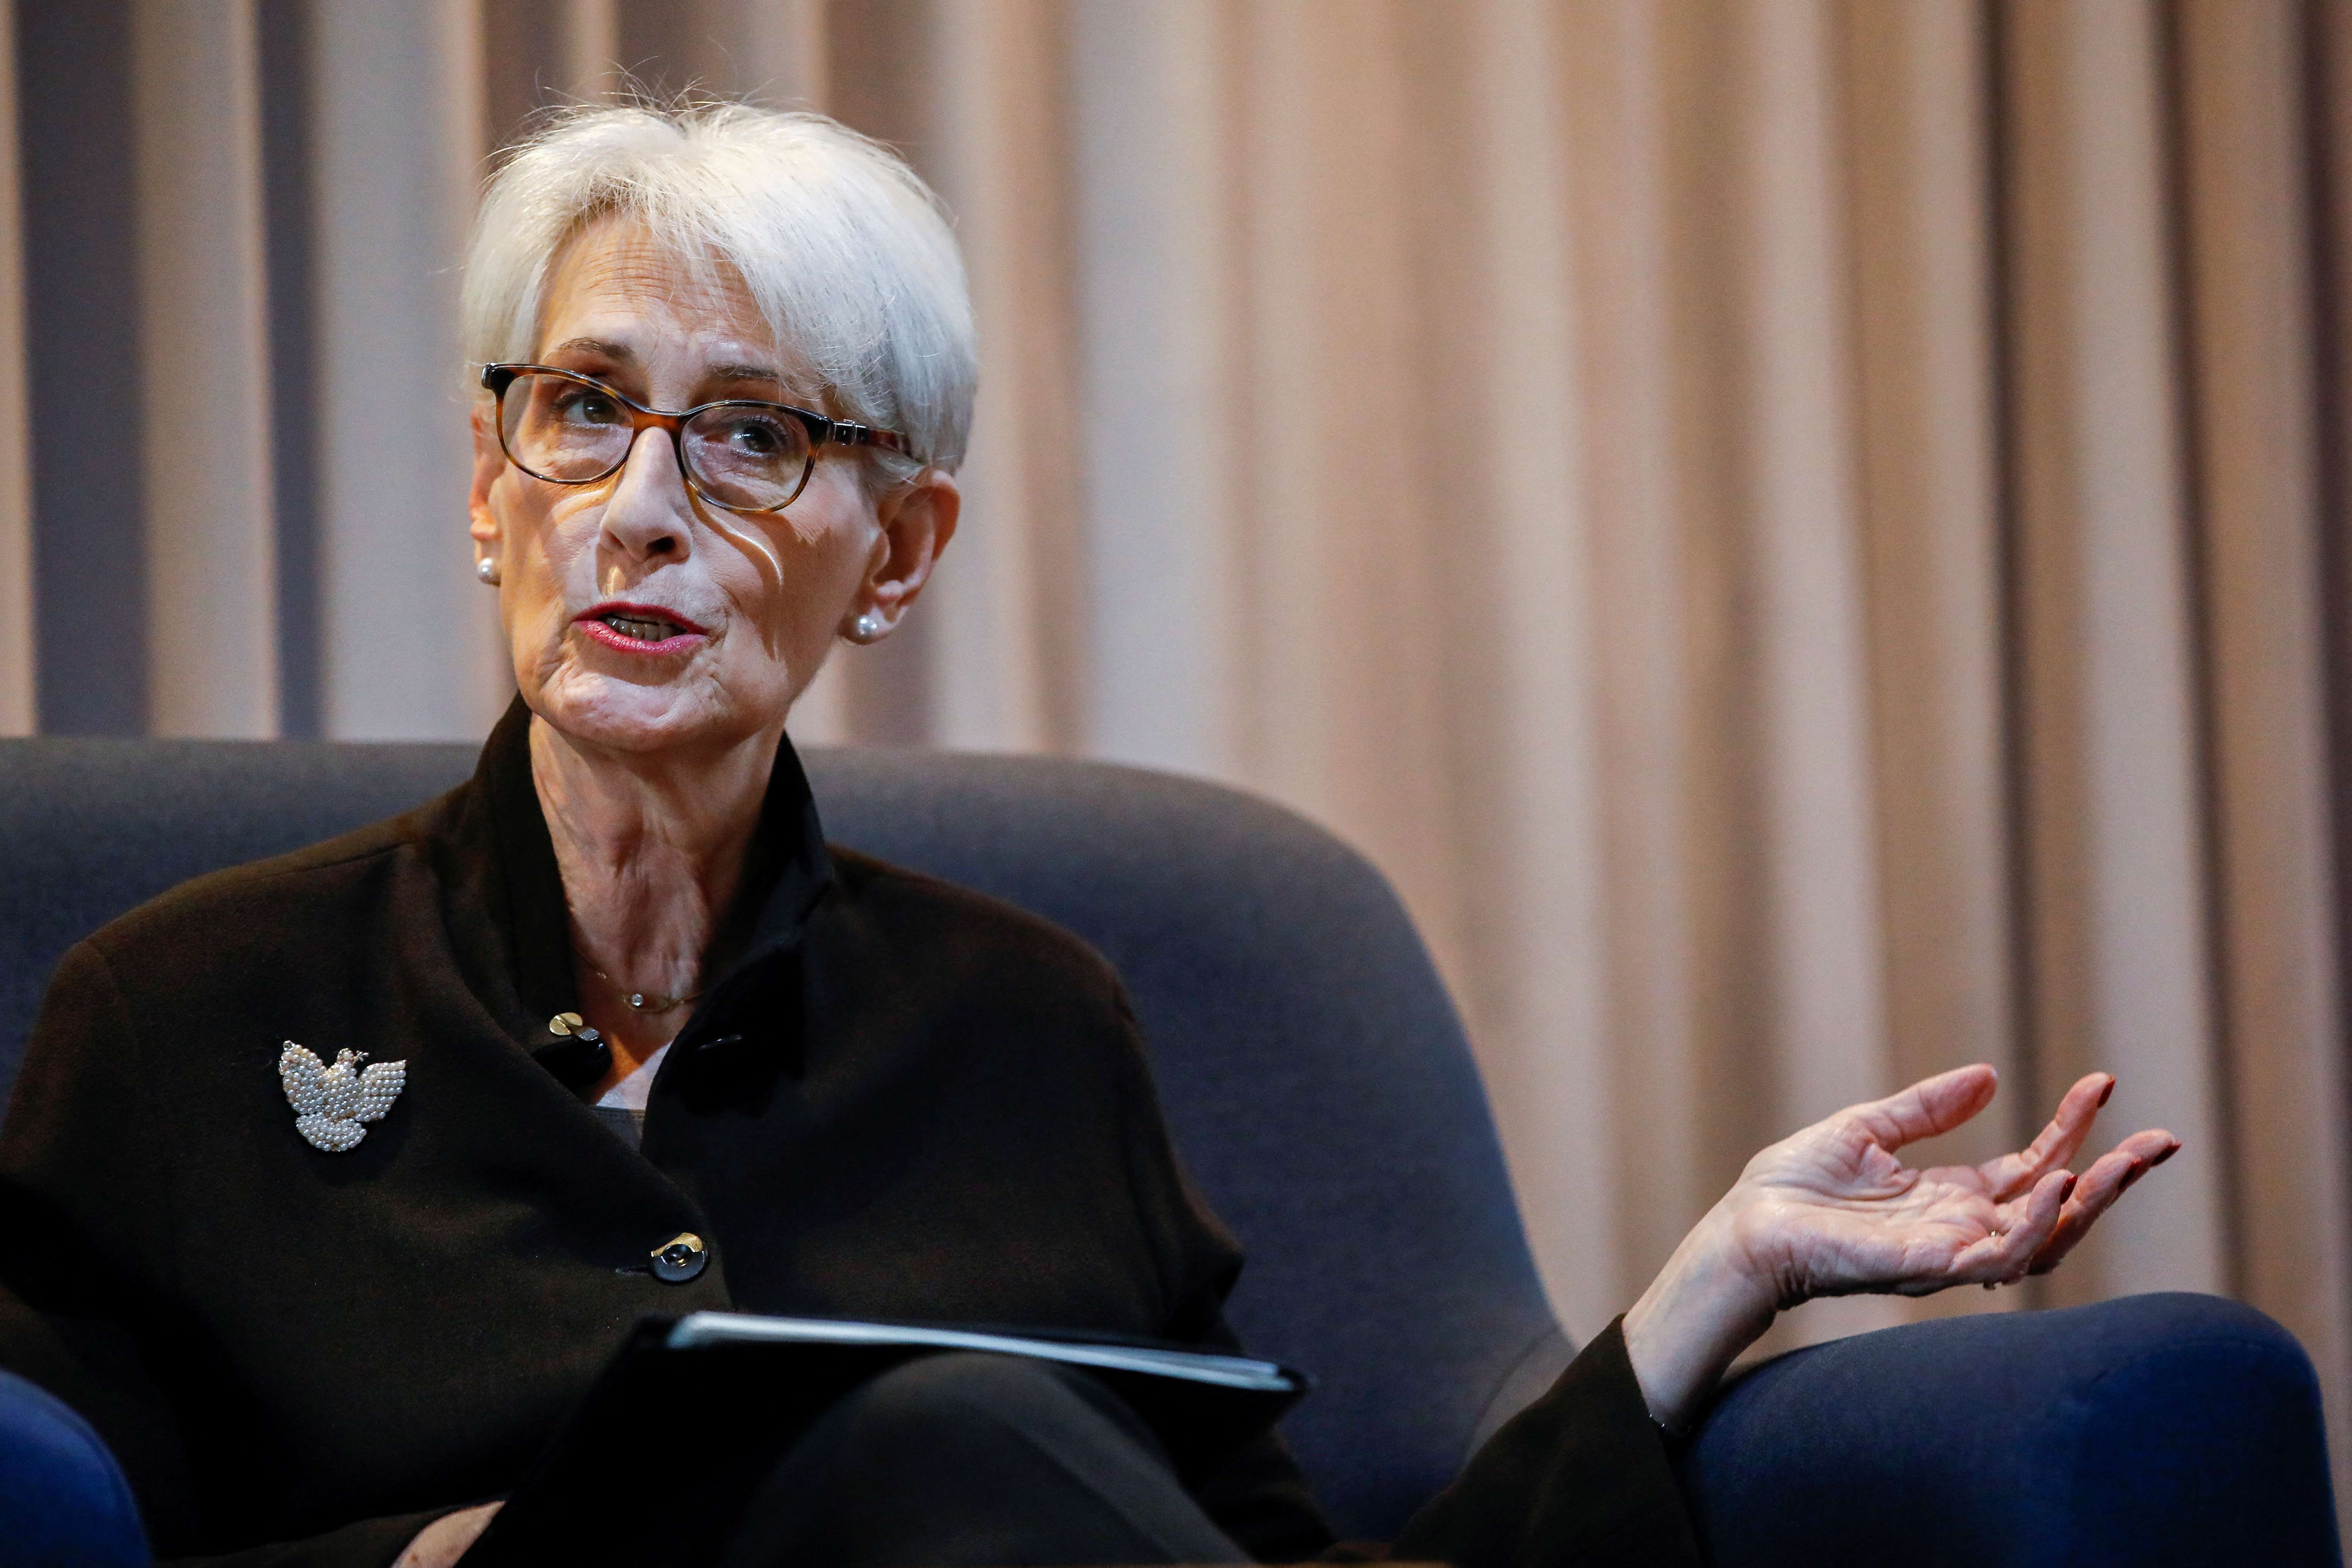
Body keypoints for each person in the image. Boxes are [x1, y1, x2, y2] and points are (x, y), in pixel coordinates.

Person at [0, 102, 2177, 1568]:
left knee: (960, 1448)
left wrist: (1725, 1274)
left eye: (752, 434)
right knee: (938, 1433)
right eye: (579, 409)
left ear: (902, 544)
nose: (640, 506)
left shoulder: (1030, 1028)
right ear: (491, 484)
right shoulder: (189, 1009)